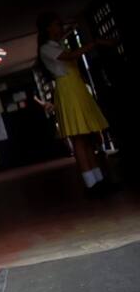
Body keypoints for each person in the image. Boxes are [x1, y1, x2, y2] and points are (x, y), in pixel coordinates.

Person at [36, 12, 111, 193]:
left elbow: (62, 39)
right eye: (56, 24)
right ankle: (91, 184)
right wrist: (95, 43)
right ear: (48, 27)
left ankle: (98, 180)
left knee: (85, 138)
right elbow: (70, 56)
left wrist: (69, 29)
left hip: (75, 87)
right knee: (78, 138)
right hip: (68, 89)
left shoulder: (55, 44)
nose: (60, 27)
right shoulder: (46, 48)